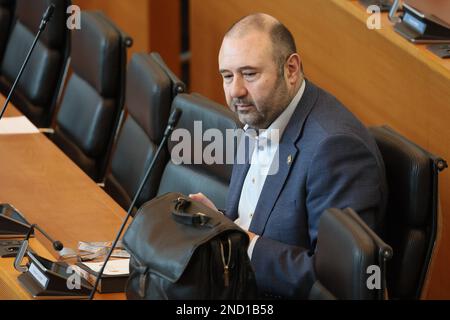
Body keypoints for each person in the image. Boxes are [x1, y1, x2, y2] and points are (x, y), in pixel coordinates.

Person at [190, 13, 387, 299]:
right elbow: (252, 222)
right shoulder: (259, 114)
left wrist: (239, 243)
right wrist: (217, 225)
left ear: (291, 69)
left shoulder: (336, 149)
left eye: (250, 74)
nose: (236, 91)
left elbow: (336, 279)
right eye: (227, 76)